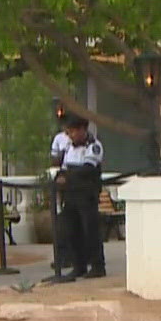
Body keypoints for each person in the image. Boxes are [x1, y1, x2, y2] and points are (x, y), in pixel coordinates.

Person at [45, 115, 106, 282]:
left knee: (90, 231)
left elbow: (88, 169)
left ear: (82, 130)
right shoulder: (69, 149)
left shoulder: (94, 146)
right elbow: (63, 168)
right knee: (71, 231)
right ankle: (78, 266)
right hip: (70, 195)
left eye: (72, 131)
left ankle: (97, 266)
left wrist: (68, 177)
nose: (70, 135)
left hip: (86, 195)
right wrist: (59, 177)